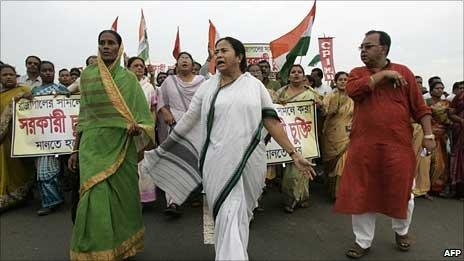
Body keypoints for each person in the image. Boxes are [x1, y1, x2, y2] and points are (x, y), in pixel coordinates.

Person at [141, 37, 315, 261]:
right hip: (217, 163)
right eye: (216, 52)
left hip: (250, 161)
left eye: (224, 50)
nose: (219, 55)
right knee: (227, 213)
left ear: (239, 56)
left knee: (241, 215)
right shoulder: (207, 87)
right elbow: (188, 123)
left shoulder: (254, 86)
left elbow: (271, 121)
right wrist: (162, 152)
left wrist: (294, 153)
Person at [333, 30, 434, 258]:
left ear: (384, 48)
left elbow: (420, 108)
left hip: (397, 147)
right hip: (363, 147)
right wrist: (384, 75)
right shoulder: (357, 73)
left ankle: (402, 231)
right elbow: (354, 91)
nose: (363, 51)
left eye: (368, 46)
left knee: (403, 192)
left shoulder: (405, 72)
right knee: (361, 193)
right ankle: (363, 242)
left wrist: (429, 135)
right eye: (361, 47)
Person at [68, 30, 154, 260]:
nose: (106, 47)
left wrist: (138, 127)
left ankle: (120, 246)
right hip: (92, 147)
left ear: (119, 47)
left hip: (121, 146)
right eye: (102, 43)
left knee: (121, 197)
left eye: (111, 43)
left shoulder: (129, 80)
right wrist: (75, 149)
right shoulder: (88, 76)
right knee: (93, 196)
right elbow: (84, 115)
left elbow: (143, 117)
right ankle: (92, 250)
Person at [156, 51, 205, 215]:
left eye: (187, 59)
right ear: (176, 65)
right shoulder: (169, 81)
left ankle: (196, 193)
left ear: (193, 65)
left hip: (197, 124)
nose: (184, 60)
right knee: (174, 161)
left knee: (197, 161)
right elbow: (160, 100)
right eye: (181, 59)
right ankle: (173, 202)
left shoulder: (202, 81)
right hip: (176, 124)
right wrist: (166, 113)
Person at [25, 61, 70, 216]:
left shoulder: (61, 89)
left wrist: (66, 95)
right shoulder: (34, 91)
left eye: (50, 70)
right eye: (44, 70)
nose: (47, 73)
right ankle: (50, 201)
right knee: (43, 173)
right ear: (39, 72)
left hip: (59, 138)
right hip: (41, 138)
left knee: (55, 171)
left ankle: (55, 200)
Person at [274, 64, 321, 213]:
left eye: (299, 72)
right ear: (288, 76)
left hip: (305, 135)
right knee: (289, 170)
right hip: (286, 135)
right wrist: (278, 104)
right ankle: (290, 199)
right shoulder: (281, 92)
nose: (296, 74)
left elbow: (324, 110)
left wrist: (319, 105)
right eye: (293, 72)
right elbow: (272, 109)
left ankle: (302, 198)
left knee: (303, 169)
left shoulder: (311, 93)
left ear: (304, 76)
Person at [0, 64, 34, 213]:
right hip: (4, 138)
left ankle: (22, 195)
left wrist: (22, 97)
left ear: (16, 76)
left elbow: (34, 107)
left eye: (11, 74)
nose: (8, 77)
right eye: (4, 75)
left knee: (21, 167)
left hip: (21, 135)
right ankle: (5, 197)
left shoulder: (24, 90)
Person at [127, 56, 158, 204]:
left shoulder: (149, 87)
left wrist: (150, 126)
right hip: (127, 130)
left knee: (144, 163)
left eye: (141, 66)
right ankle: (131, 198)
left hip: (145, 131)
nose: (139, 68)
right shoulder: (123, 85)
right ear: (128, 68)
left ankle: (146, 197)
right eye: (135, 66)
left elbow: (152, 109)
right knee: (129, 165)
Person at [320, 71, 353, 199]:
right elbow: (324, 111)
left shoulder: (354, 97)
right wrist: (322, 108)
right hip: (332, 135)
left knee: (344, 162)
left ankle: (341, 193)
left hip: (349, 135)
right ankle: (332, 191)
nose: (343, 82)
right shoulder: (330, 96)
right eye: (340, 80)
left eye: (346, 79)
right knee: (331, 163)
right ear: (335, 81)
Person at [425, 81, 452, 195]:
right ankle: (427, 186)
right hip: (430, 134)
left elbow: (449, 118)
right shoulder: (426, 102)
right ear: (431, 90)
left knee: (442, 162)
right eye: (437, 88)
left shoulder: (446, 103)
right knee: (430, 161)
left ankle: (437, 187)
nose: (440, 90)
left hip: (442, 135)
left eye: (442, 88)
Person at [448, 84, 464, 199]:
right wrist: (461, 120)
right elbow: (451, 113)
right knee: (460, 159)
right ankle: (459, 190)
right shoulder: (459, 97)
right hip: (461, 131)